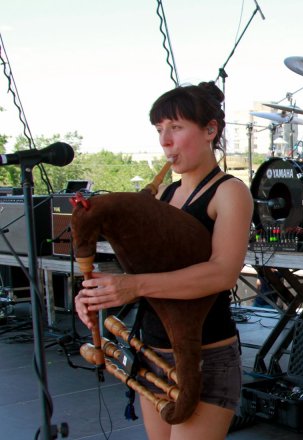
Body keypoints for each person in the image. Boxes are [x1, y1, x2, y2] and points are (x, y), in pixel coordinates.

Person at [75, 82, 253, 439]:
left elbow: (222, 273)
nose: (165, 141)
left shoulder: (230, 191)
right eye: (159, 130)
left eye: (176, 127)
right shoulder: (166, 195)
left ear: (210, 131)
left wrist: (133, 286)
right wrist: (100, 294)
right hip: (152, 350)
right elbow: (152, 269)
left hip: (207, 354)